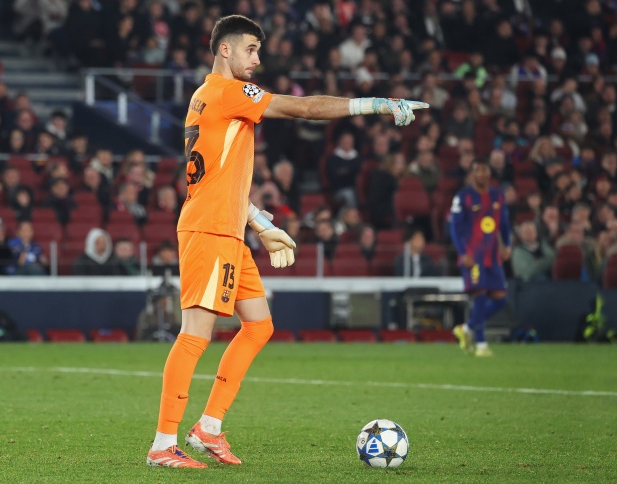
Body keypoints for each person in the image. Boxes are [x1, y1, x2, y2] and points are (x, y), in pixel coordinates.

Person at [146, 14, 427, 468]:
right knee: (195, 334)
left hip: (227, 226)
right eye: (251, 49)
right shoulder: (228, 92)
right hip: (209, 229)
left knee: (259, 325)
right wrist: (375, 103)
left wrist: (259, 222)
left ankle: (208, 428)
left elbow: (215, 177)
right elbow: (305, 109)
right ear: (224, 50)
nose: (257, 59)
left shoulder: (204, 97)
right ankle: (163, 445)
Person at [449, 159, 512, 358]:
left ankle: (467, 328)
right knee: (480, 296)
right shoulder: (463, 197)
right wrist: (463, 252)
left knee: (500, 299)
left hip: (493, 256)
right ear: (471, 175)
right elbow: (455, 228)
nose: (481, 174)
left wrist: (507, 245)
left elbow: (504, 223)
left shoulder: (498, 196)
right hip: (473, 256)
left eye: (484, 170)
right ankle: (482, 345)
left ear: (489, 174)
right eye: (477, 171)